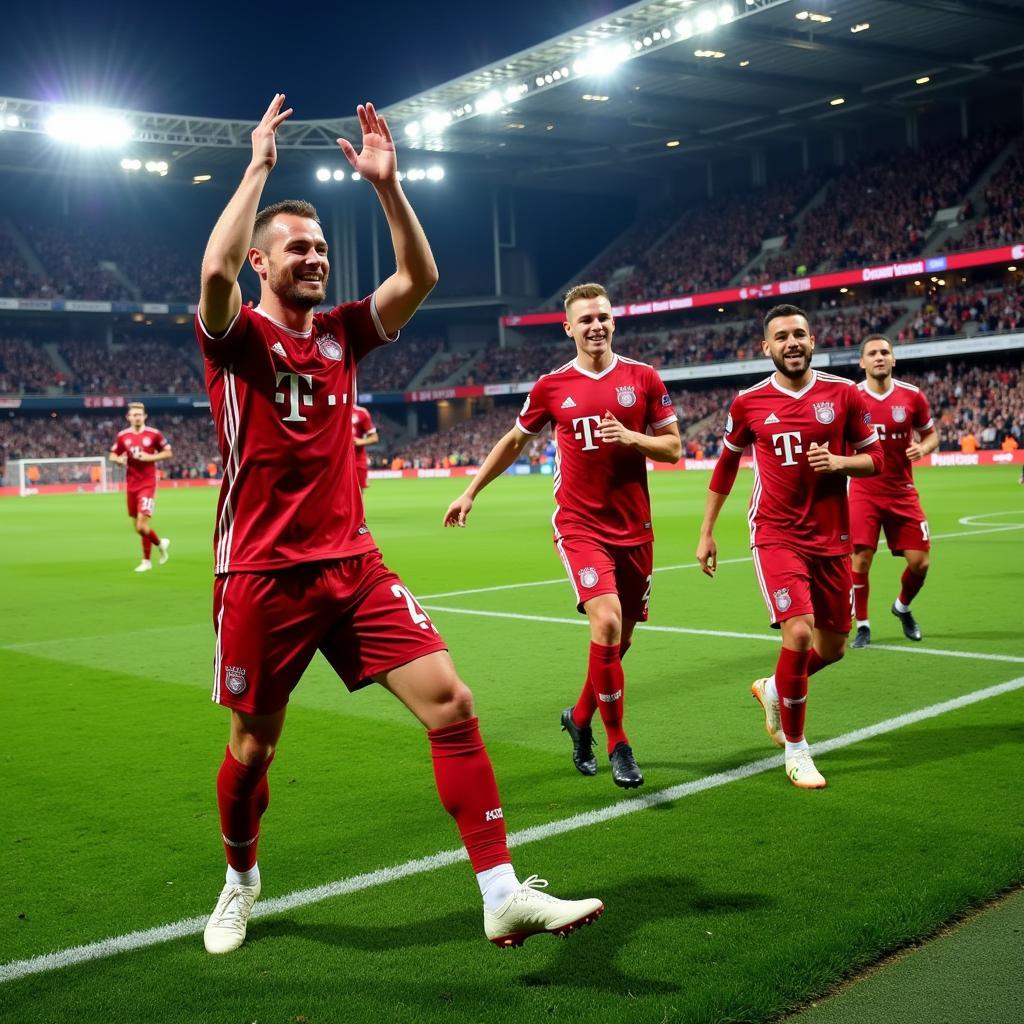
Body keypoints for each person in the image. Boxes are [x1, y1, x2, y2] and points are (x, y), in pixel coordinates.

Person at [196, 95, 602, 955]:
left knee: (452, 702)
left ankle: (499, 892)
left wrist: (389, 188)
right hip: (262, 577)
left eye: (320, 249)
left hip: (354, 567)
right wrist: (258, 167)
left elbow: (419, 280)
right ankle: (239, 880)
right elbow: (213, 278)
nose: (314, 259)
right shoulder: (234, 340)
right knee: (253, 749)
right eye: (297, 249)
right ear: (264, 264)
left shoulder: (345, 332)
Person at [444, 282, 682, 790]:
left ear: (613, 322)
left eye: (603, 317)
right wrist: (470, 492)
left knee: (620, 641)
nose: (596, 326)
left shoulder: (643, 378)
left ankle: (578, 718)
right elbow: (514, 440)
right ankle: (619, 743)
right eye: (586, 319)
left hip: (635, 529)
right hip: (578, 525)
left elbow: (673, 448)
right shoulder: (551, 386)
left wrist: (632, 437)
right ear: (569, 327)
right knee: (609, 619)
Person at [695, 304, 882, 790]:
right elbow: (726, 467)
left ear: (813, 340)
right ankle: (797, 751)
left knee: (833, 647)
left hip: (831, 539)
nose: (791, 342)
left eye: (799, 333)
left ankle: (774, 687)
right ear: (767, 347)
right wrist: (706, 530)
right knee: (797, 635)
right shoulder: (748, 403)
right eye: (781, 336)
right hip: (775, 534)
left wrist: (839, 462)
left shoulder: (843, 395)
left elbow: (875, 461)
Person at [849, 335, 938, 648]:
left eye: (885, 352)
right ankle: (863, 626)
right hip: (863, 490)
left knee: (920, 563)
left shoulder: (912, 396)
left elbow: (932, 435)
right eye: (871, 353)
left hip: (902, 490)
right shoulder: (851, 397)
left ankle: (902, 607)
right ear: (862, 362)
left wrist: (922, 448)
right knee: (860, 560)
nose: (879, 357)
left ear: (894, 359)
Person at [109, 401, 172, 572]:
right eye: (133, 415)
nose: (136, 417)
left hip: (148, 484)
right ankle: (154, 553)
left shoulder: (154, 434)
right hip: (131, 484)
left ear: (144, 416)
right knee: (137, 526)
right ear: (128, 417)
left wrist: (148, 457)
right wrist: (119, 459)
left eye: (139, 414)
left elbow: (168, 452)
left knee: (141, 526)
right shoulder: (122, 436)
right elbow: (112, 454)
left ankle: (149, 556)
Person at [351, 402, 379, 491]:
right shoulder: (333, 411)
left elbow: (375, 438)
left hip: (357, 460)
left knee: (358, 493)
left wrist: (360, 441)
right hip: (338, 461)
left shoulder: (361, 413)